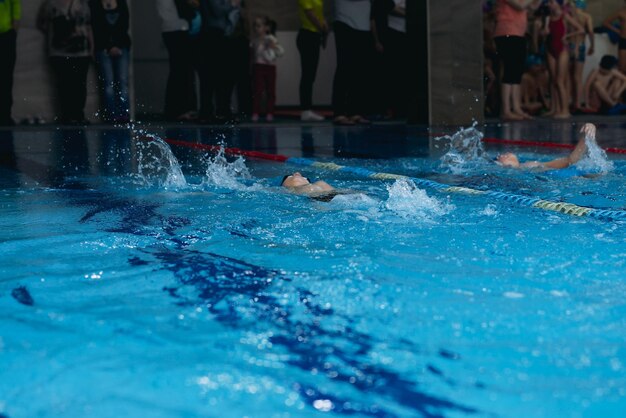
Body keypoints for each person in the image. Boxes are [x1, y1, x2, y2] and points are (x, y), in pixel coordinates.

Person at [37, 0, 94, 125]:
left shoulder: (83, 3)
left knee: (79, 84)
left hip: (80, 51)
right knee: (64, 84)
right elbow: (42, 24)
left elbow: (89, 25)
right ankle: (67, 115)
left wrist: (91, 47)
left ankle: (78, 115)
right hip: (59, 52)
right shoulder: (51, 4)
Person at [493, 0, 541, 121]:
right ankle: (506, 110)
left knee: (517, 72)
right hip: (507, 32)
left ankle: (516, 107)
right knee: (509, 70)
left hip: (519, 33)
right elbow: (520, 6)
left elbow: (532, 8)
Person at [156, 0, 199, 122]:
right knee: (180, 70)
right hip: (177, 29)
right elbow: (183, 10)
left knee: (181, 70)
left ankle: (180, 109)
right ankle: (179, 109)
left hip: (175, 28)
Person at [90, 0, 131, 123]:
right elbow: (96, 26)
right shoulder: (95, 4)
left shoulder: (121, 2)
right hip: (102, 47)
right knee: (108, 84)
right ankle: (110, 115)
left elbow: (124, 24)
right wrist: (109, 46)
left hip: (121, 46)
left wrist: (117, 45)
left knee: (122, 82)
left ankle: (123, 115)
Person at [332, 0, 372, 125]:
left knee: (360, 70)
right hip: (345, 21)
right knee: (344, 67)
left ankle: (356, 111)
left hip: (363, 23)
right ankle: (339, 112)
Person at [543, 0, 584, 119]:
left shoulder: (564, 16)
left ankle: (565, 110)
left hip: (562, 50)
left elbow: (580, 29)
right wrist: (543, 32)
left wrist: (567, 36)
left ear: (558, 4)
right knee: (553, 80)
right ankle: (555, 109)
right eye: (548, 3)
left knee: (560, 81)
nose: (549, 5)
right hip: (550, 49)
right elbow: (544, 33)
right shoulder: (547, 18)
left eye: (551, 2)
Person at [496, 122, 596, 169]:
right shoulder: (529, 168)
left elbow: (569, 160)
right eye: (498, 158)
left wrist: (586, 136)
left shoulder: (531, 165)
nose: (500, 155)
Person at [297, 0, 327, 122]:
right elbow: (310, 14)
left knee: (311, 74)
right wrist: (323, 29)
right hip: (307, 35)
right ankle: (305, 110)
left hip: (315, 36)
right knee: (307, 74)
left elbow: (320, 15)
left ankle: (307, 108)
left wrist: (324, 33)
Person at [250, 16, 283, 122]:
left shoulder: (271, 39)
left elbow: (280, 52)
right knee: (257, 91)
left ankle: (270, 112)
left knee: (270, 91)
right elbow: (253, 55)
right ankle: (255, 112)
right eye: (255, 26)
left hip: (270, 67)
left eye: (259, 26)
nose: (256, 28)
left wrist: (273, 46)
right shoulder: (254, 41)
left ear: (266, 27)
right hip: (258, 67)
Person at [569, 0, 594, 112]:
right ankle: (578, 104)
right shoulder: (586, 16)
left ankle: (568, 102)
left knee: (568, 77)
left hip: (569, 46)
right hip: (581, 47)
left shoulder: (569, 15)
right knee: (577, 77)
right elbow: (590, 32)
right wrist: (592, 45)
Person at [0, 0, 20, 126]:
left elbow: (15, 3)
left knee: (6, 76)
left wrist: (15, 25)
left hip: (6, 34)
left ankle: (4, 115)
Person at [281, 172, 346, 202]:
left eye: (303, 177)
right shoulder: (285, 189)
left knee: (321, 183)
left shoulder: (314, 185)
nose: (296, 174)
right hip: (309, 191)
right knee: (312, 188)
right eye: (290, 176)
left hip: (314, 191)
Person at [603, 0, 626, 75]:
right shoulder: (621, 12)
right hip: (624, 41)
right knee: (622, 68)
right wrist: (617, 31)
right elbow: (606, 22)